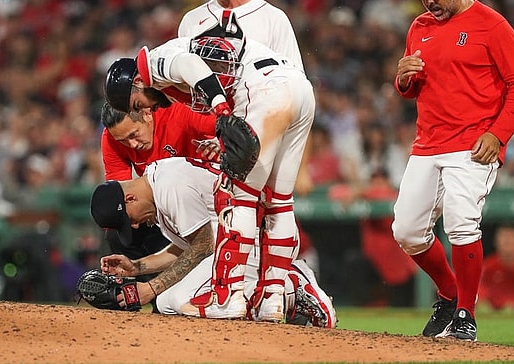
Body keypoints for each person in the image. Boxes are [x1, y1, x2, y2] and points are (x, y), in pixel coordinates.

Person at [104, 18, 315, 321]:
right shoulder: (172, 94)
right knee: (278, 200)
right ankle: (273, 298)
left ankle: (228, 297)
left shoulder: (151, 65)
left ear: (136, 83)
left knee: (234, 196)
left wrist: (222, 112)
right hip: (297, 88)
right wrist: (223, 130)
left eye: (136, 104)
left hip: (263, 90)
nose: (144, 110)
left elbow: (190, 65)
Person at [392, 0, 514, 340]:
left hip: (473, 144)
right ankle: (450, 291)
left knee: (460, 223)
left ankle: (465, 315)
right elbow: (413, 88)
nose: (429, 1)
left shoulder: (491, 24)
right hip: (428, 142)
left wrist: (499, 133)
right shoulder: (419, 26)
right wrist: (403, 80)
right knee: (406, 231)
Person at [179, 0, 319, 270]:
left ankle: (279, 291)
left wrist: (301, 156)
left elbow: (295, 92)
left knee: (270, 207)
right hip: (207, 133)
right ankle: (229, 290)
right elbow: (185, 90)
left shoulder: (273, 19)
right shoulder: (191, 22)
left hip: (258, 133)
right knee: (218, 218)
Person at [90, 157, 335, 327]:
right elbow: (189, 246)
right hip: (240, 246)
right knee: (166, 303)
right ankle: (277, 297)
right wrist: (138, 267)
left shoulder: (169, 185)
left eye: (128, 219)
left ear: (130, 198)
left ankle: (291, 286)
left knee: (175, 301)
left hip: (258, 243)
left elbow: (203, 245)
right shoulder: (158, 182)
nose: (133, 225)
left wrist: (150, 288)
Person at [100, 101, 216, 275]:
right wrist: (137, 211)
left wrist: (219, 143)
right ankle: (149, 293)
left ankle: (177, 282)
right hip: (160, 206)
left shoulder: (176, 113)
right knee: (118, 232)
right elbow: (121, 191)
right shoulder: (111, 138)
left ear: (147, 114)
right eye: (123, 140)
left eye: (134, 134)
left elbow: (225, 127)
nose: (132, 145)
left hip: (204, 203)